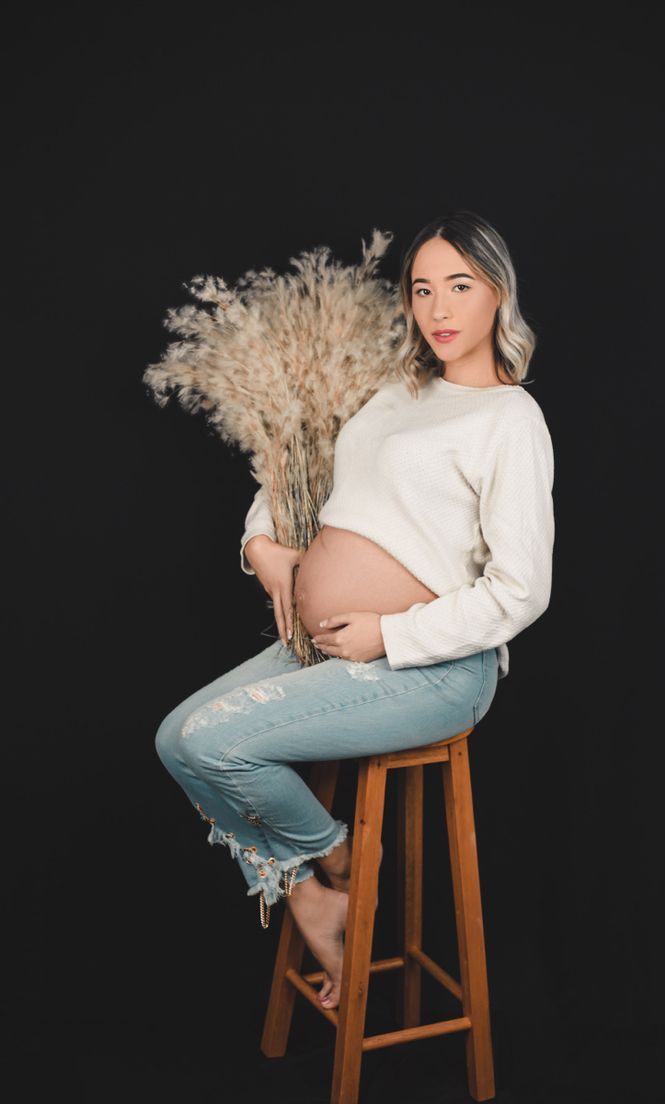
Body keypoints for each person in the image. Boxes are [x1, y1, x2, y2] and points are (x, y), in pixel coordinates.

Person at [155, 209, 555, 1010]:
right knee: (177, 741)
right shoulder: (391, 392)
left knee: (213, 741)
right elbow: (293, 468)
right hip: (335, 650)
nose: (438, 310)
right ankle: (314, 887)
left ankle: (336, 863)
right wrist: (261, 544)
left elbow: (522, 591)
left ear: (498, 295)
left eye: (460, 287)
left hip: (431, 671)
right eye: (422, 290)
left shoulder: (509, 419)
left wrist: (388, 633)